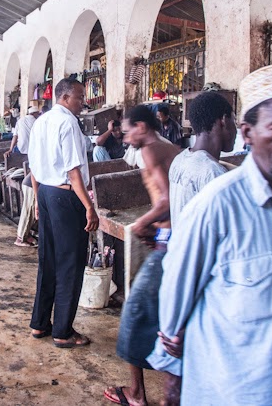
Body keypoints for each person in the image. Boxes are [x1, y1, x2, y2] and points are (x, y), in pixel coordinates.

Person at [158, 63, 272, 405]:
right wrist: (176, 364)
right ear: (246, 132)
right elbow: (173, 315)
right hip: (237, 390)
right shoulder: (218, 203)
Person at [138, 91, 237, 405]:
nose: (235, 128)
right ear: (223, 121)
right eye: (234, 120)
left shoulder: (183, 158)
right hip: (200, 282)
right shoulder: (212, 174)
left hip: (180, 270)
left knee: (176, 377)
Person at [103, 105, 181, 406]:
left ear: (142, 127)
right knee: (169, 317)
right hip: (172, 236)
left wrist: (140, 224)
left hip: (168, 238)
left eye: (127, 132)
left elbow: (167, 200)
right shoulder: (169, 147)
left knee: (134, 314)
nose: (124, 138)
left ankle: (136, 394)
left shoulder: (150, 150)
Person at [28, 78, 99, 348]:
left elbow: (33, 166)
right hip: (66, 196)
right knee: (70, 263)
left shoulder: (41, 121)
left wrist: (37, 199)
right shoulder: (68, 122)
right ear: (66, 97)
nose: (83, 102)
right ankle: (63, 331)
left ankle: (40, 324)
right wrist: (89, 207)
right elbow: (73, 171)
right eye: (80, 97)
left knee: (48, 259)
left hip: (46, 192)